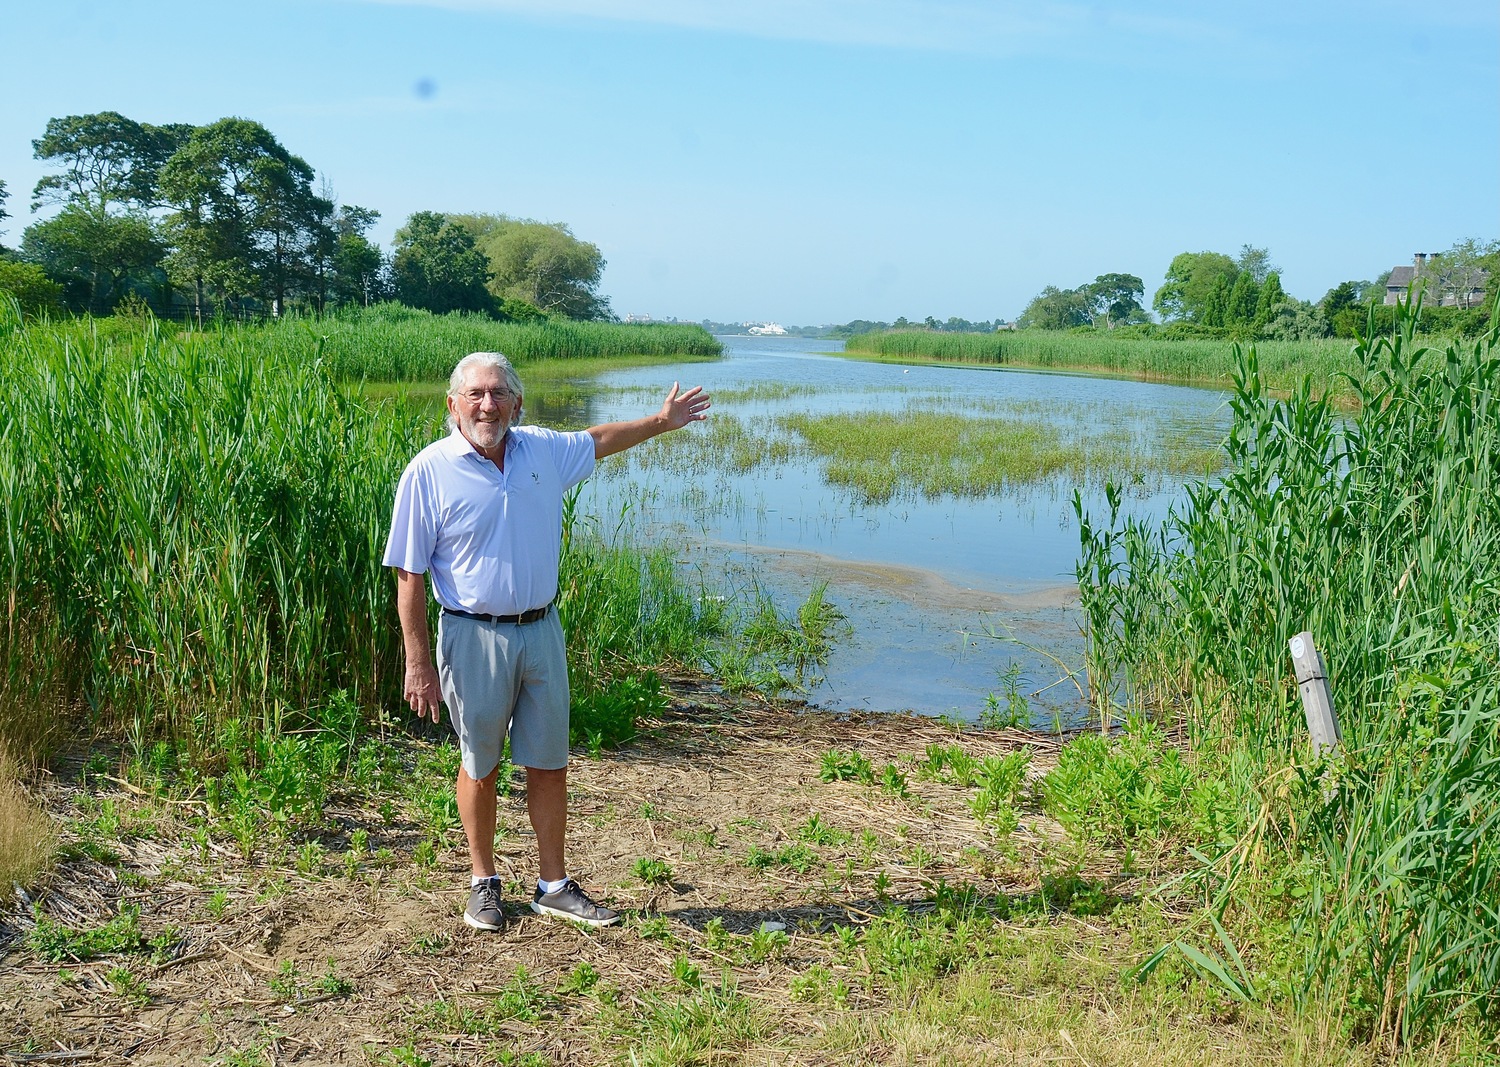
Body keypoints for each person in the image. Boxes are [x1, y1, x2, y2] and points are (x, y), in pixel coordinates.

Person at [383, 351, 710, 931]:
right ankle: (483, 881)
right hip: (472, 636)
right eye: (476, 394)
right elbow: (409, 573)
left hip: (542, 633)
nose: (488, 404)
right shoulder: (429, 471)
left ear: (518, 402)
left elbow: (599, 438)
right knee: (480, 764)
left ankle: (552, 885)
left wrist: (662, 422)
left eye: (500, 393)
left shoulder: (541, 451)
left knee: (549, 761)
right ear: (453, 404)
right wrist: (416, 663)